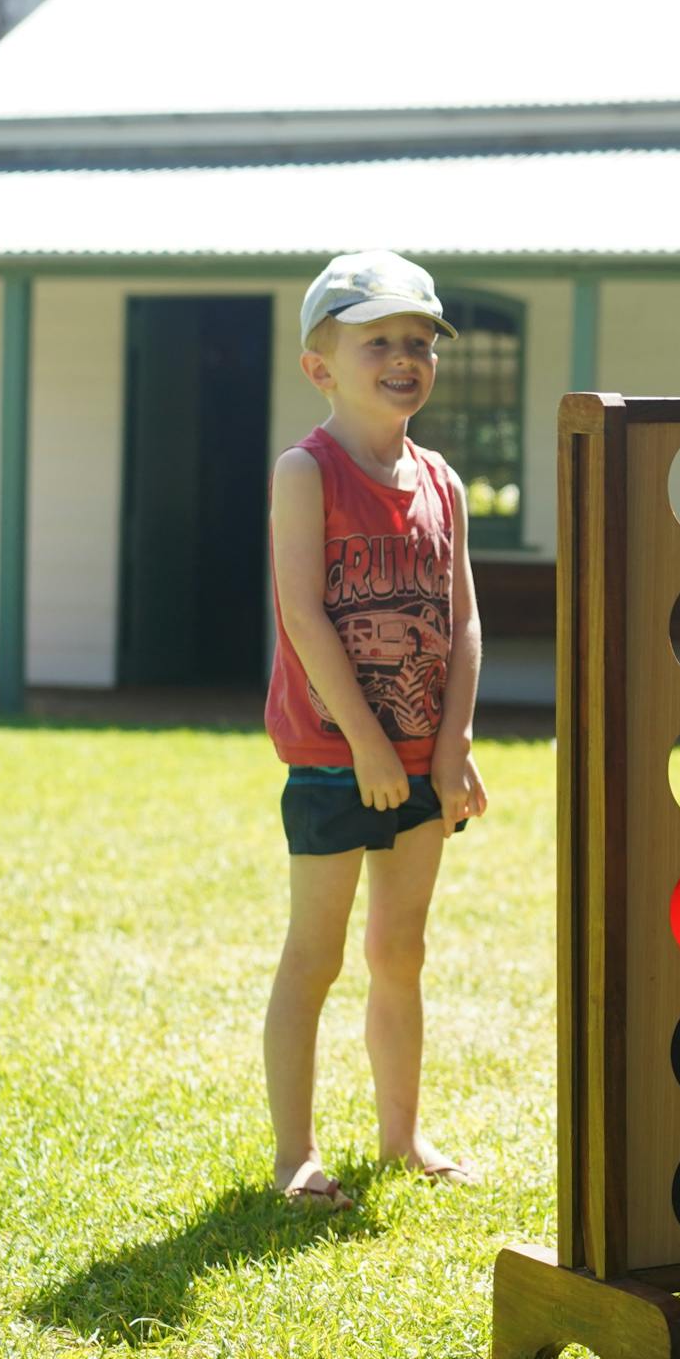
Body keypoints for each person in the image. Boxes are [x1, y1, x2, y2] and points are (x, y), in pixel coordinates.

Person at [262, 251, 491, 1209]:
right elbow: (306, 615)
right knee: (314, 954)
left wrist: (452, 745)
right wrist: (362, 743)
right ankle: (296, 1158)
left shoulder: (443, 480)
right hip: (332, 759)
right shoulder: (306, 472)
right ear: (320, 367)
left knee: (401, 952)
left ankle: (403, 1137)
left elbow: (464, 617)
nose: (404, 357)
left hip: (421, 763)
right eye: (378, 342)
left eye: (419, 341)